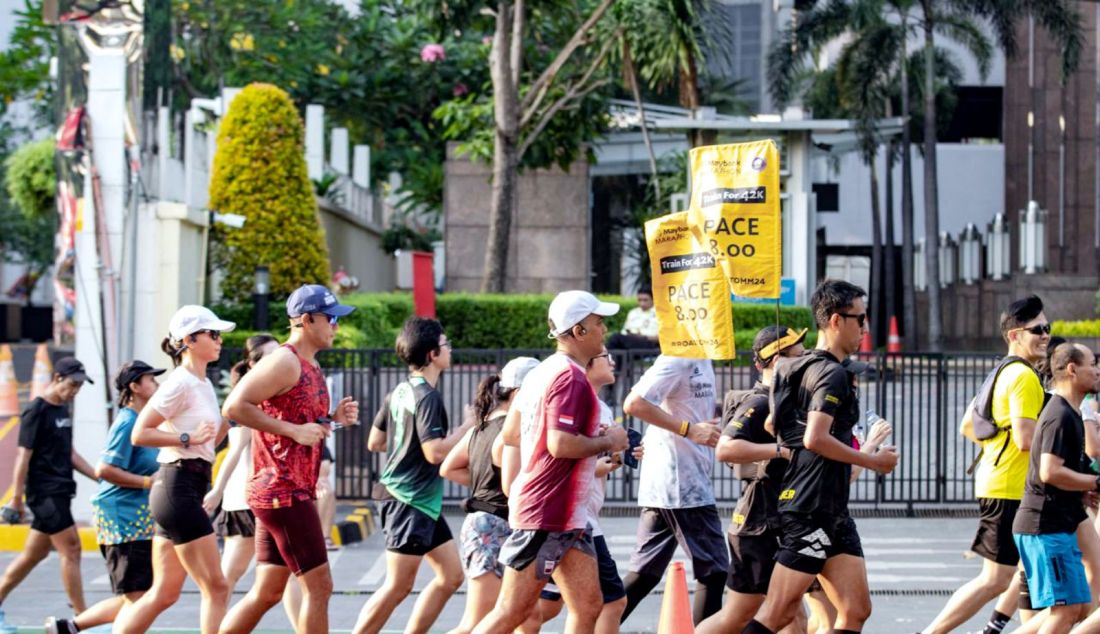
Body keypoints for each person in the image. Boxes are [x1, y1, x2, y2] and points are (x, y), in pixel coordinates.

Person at [742, 279, 899, 634]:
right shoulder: (832, 373)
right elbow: (815, 438)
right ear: (834, 320)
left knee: (856, 610)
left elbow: (773, 423)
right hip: (810, 506)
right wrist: (873, 461)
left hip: (831, 507)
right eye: (859, 319)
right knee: (777, 613)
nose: (865, 327)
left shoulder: (794, 366)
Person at [472, 290, 629, 634]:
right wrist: (608, 440)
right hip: (548, 514)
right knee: (512, 611)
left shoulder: (542, 372)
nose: (604, 330)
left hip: (567, 515)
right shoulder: (570, 377)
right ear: (578, 331)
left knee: (589, 605)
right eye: (598, 323)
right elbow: (558, 444)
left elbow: (511, 436)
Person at [219, 285, 358, 634]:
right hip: (282, 490)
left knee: (267, 591)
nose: (335, 327)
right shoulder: (284, 361)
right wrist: (293, 431)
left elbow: (303, 422)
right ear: (307, 320)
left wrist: (332, 418)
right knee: (320, 585)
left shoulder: (309, 364)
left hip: (285, 490)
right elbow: (234, 407)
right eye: (331, 319)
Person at [922, 295, 1050, 634]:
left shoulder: (1001, 371)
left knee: (1026, 569)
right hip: (1011, 487)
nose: (1045, 336)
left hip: (1003, 481)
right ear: (1014, 335)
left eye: (1047, 329)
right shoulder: (1022, 376)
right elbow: (1026, 439)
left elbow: (968, 424)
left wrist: (997, 446)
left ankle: (1004, 626)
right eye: (1037, 330)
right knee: (995, 578)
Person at [114, 305, 235, 634]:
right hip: (177, 485)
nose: (219, 340)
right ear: (189, 339)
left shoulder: (202, 383)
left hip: (185, 486)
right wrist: (184, 436)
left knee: (164, 593)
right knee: (217, 587)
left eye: (219, 334)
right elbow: (140, 433)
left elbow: (209, 441)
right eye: (213, 334)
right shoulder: (179, 382)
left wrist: (240, 409)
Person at [354, 316, 475, 634]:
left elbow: (375, 441)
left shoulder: (400, 391)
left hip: (420, 501)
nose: (450, 349)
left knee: (451, 576)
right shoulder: (428, 398)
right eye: (446, 344)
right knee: (397, 586)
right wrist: (468, 425)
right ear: (433, 354)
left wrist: (405, 447)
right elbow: (435, 452)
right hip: (408, 499)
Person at [697, 325, 806, 634]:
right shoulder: (759, 403)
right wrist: (781, 451)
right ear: (774, 361)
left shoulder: (785, 400)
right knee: (738, 615)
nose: (803, 361)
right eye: (796, 356)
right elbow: (726, 448)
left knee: (792, 615)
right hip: (759, 524)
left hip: (779, 520)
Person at [521, 346, 638, 634]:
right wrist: (607, 448)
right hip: (570, 516)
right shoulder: (569, 389)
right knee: (610, 602)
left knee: (548, 606)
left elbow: (589, 455)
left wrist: (618, 453)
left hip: (568, 515)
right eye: (604, 356)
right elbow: (561, 449)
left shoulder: (598, 405)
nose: (611, 360)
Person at [46, 361, 167, 634]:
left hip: (137, 519)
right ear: (135, 387)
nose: (157, 385)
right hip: (122, 520)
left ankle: (68, 627)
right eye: (151, 380)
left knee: (143, 595)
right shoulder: (126, 422)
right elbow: (105, 469)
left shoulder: (143, 421)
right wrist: (149, 482)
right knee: (138, 598)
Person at [619, 351, 726, 624]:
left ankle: (593, 628)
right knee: (713, 571)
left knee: (644, 574)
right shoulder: (678, 356)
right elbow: (634, 403)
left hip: (676, 481)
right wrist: (688, 430)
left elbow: (682, 408)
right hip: (680, 482)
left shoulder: (702, 357)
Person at [440, 356, 540, 634]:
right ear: (520, 394)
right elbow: (513, 484)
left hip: (490, 523)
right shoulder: (512, 430)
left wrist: (484, 487)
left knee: (529, 619)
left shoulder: (481, 426)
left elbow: (449, 468)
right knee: (478, 622)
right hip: (492, 526)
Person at [0, 357, 95, 634]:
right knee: (72, 549)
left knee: (32, 555)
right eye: (72, 383)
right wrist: (16, 499)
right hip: (44, 493)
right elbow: (22, 457)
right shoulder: (36, 410)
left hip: (61, 490)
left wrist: (101, 478)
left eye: (79, 385)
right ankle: (82, 620)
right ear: (57, 378)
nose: (75, 390)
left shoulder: (62, 409)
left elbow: (70, 453)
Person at [1010, 343, 1100, 634]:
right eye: (1092, 364)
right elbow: (1049, 472)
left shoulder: (1069, 413)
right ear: (1072, 369)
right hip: (1045, 526)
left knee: (1076, 606)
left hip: (1058, 523)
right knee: (1065, 611)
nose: (1098, 371)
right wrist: (1094, 482)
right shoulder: (1060, 415)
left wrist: (1083, 490)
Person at [203, 334, 279, 592]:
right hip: (246, 499)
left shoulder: (272, 395)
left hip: (267, 496)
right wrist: (218, 490)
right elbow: (235, 450)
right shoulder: (248, 399)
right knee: (228, 578)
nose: (279, 361)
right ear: (253, 365)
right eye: (271, 357)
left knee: (281, 575)